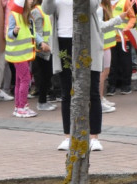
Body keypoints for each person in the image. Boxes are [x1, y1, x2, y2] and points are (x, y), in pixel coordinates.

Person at [42, 0, 104, 150]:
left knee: (92, 91)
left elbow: (91, 6)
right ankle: (68, 136)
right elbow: (47, 9)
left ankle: (93, 137)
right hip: (63, 40)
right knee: (67, 90)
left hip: (86, 40)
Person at [5, 0, 35, 117]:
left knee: (19, 80)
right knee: (25, 79)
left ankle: (19, 106)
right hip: (18, 55)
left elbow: (31, 33)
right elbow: (9, 34)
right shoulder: (14, 15)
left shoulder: (27, 15)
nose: (32, 1)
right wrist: (14, 32)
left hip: (23, 54)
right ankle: (22, 107)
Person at [29, 0, 53, 111]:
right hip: (42, 51)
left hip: (48, 49)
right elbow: (36, 32)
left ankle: (44, 100)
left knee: (47, 76)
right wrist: (41, 44)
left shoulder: (45, 10)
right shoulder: (37, 12)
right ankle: (42, 102)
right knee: (44, 76)